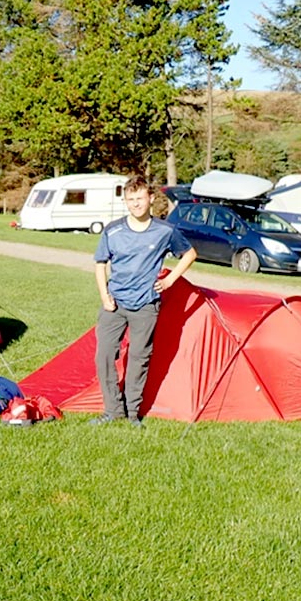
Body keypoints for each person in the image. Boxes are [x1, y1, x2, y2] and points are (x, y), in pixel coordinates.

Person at [92, 178, 197, 427]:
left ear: (150, 198)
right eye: (130, 200)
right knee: (104, 356)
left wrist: (170, 279)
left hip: (146, 306)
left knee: (139, 358)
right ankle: (112, 410)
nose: (135, 204)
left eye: (139, 198)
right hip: (115, 304)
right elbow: (100, 263)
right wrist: (104, 296)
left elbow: (190, 254)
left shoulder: (164, 231)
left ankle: (132, 413)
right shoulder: (113, 230)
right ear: (125, 202)